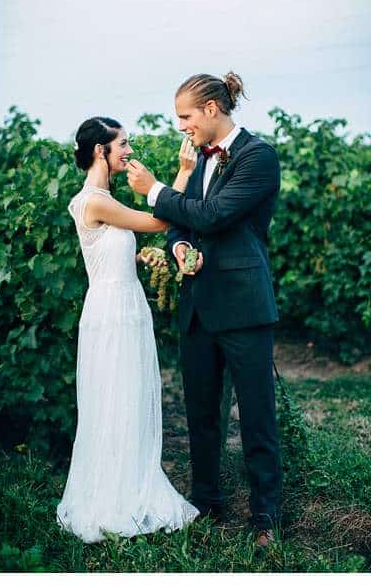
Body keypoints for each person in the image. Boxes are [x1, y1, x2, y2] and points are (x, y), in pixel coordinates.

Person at [126, 72, 282, 548]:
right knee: (200, 413)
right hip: (198, 306)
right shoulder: (198, 164)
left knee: (256, 416)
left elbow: (213, 216)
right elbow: (182, 222)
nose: (181, 127)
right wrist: (176, 248)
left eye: (185, 117)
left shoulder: (258, 157)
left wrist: (153, 190)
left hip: (243, 305)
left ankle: (266, 519)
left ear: (212, 109)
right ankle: (207, 503)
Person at [55, 116, 199, 542]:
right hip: (111, 312)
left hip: (126, 304)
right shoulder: (94, 200)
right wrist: (184, 173)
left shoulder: (104, 199)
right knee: (114, 397)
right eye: (123, 145)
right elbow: (157, 222)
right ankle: (113, 498)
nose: (129, 152)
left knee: (129, 396)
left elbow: (108, 249)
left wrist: (137, 259)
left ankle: (130, 481)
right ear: (101, 150)